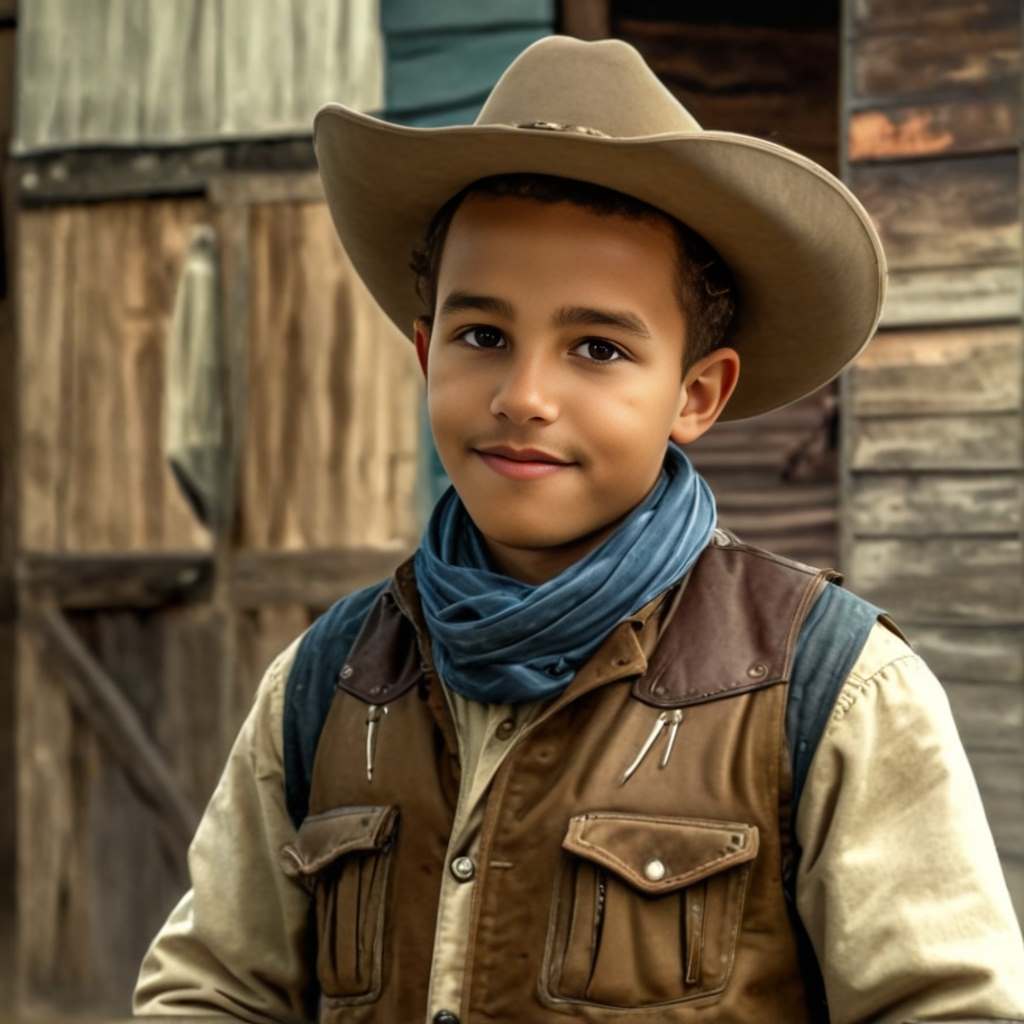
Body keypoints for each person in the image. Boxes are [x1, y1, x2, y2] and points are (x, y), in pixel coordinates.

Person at [133, 35, 1024, 1024]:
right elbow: (210, 991)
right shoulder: (329, 683)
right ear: (425, 351)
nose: (523, 396)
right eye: (482, 337)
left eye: (596, 347)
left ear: (695, 392)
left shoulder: (832, 687)